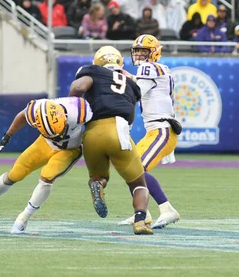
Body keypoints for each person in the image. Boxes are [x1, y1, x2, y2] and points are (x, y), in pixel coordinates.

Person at [0, 96, 92, 234]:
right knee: (15, 174)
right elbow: (21, 116)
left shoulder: (80, 110)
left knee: (47, 177)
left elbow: (97, 127)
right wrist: (7, 136)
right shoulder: (35, 110)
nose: (59, 135)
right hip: (45, 143)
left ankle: (24, 217)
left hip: (70, 149)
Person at [68, 46, 152, 235]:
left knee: (98, 177)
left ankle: (97, 185)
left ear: (97, 62)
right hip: (118, 129)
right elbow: (130, 116)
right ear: (119, 63)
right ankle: (140, 221)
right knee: (138, 184)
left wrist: (71, 109)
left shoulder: (91, 71)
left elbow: (78, 87)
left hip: (91, 133)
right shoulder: (131, 84)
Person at [117, 35, 182, 228]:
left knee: (137, 170)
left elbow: (137, 91)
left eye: (143, 51)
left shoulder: (149, 67)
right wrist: (125, 75)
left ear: (154, 52)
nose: (139, 55)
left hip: (162, 130)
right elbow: (139, 82)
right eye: (136, 51)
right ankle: (142, 213)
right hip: (155, 130)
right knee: (129, 169)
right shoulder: (157, 69)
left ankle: (167, 209)